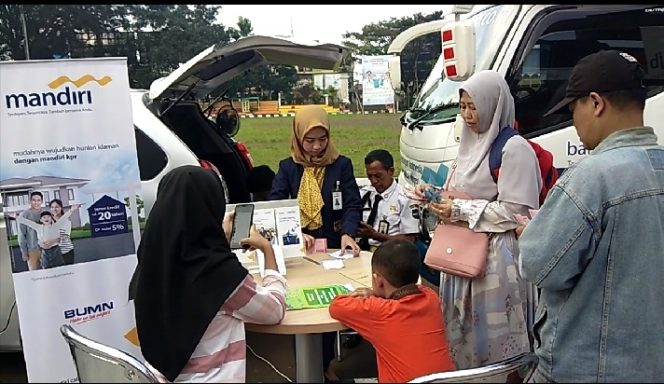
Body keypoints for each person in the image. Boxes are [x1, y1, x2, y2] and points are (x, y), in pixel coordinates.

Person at [519, 50, 664, 382]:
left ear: (596, 103)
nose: (575, 121)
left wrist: (530, 232)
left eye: (573, 109)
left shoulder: (592, 176)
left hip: (585, 367)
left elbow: (538, 264)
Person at [414, 70, 541, 369]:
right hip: (461, 258)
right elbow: (461, 192)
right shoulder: (469, 144)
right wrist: (433, 196)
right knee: (464, 342)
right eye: (463, 107)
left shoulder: (514, 149)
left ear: (494, 105)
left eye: (475, 107)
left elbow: (516, 212)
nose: (468, 115)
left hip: (495, 264)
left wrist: (458, 211)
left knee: (496, 348)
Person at [128, 165, 287, 382]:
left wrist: (219, 238)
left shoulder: (152, 261)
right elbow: (274, 311)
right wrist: (267, 250)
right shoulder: (220, 275)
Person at [328, 239, 456, 382]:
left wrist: (375, 295)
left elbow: (336, 306)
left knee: (337, 366)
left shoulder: (380, 311)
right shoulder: (431, 297)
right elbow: (411, 292)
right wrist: (378, 293)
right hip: (445, 380)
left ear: (378, 280)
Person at [270, 105, 362, 255]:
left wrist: (348, 233)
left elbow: (352, 203)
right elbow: (276, 205)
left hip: (335, 243)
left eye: (323, 139)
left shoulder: (341, 165)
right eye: (310, 140)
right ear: (299, 137)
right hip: (300, 244)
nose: (317, 146)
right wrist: (293, 233)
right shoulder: (288, 167)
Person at [357, 149, 419, 251]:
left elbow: (409, 240)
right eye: (369, 176)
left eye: (378, 176)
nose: (374, 181)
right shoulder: (364, 194)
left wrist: (375, 235)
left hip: (392, 253)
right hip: (363, 250)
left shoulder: (404, 199)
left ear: (391, 171)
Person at [9, 205, 80, 269]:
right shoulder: (38, 227)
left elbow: (64, 217)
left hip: (56, 251)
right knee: (46, 268)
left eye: (48, 217)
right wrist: (16, 217)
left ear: (51, 219)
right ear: (41, 220)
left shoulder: (56, 225)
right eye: (44, 217)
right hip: (45, 252)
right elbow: (27, 222)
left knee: (59, 268)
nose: (46, 218)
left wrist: (72, 209)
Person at [17, 191, 45, 270]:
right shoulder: (24, 215)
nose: (36, 202)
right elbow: (21, 234)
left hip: (46, 250)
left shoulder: (46, 213)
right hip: (32, 251)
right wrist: (24, 251)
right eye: (34, 200)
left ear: (42, 201)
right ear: (30, 201)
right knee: (35, 276)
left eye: (38, 200)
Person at [49, 199, 75, 265]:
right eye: (52, 207)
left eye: (57, 207)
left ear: (61, 208)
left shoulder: (67, 221)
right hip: (53, 253)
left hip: (66, 252)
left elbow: (64, 236)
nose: (54, 209)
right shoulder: (48, 221)